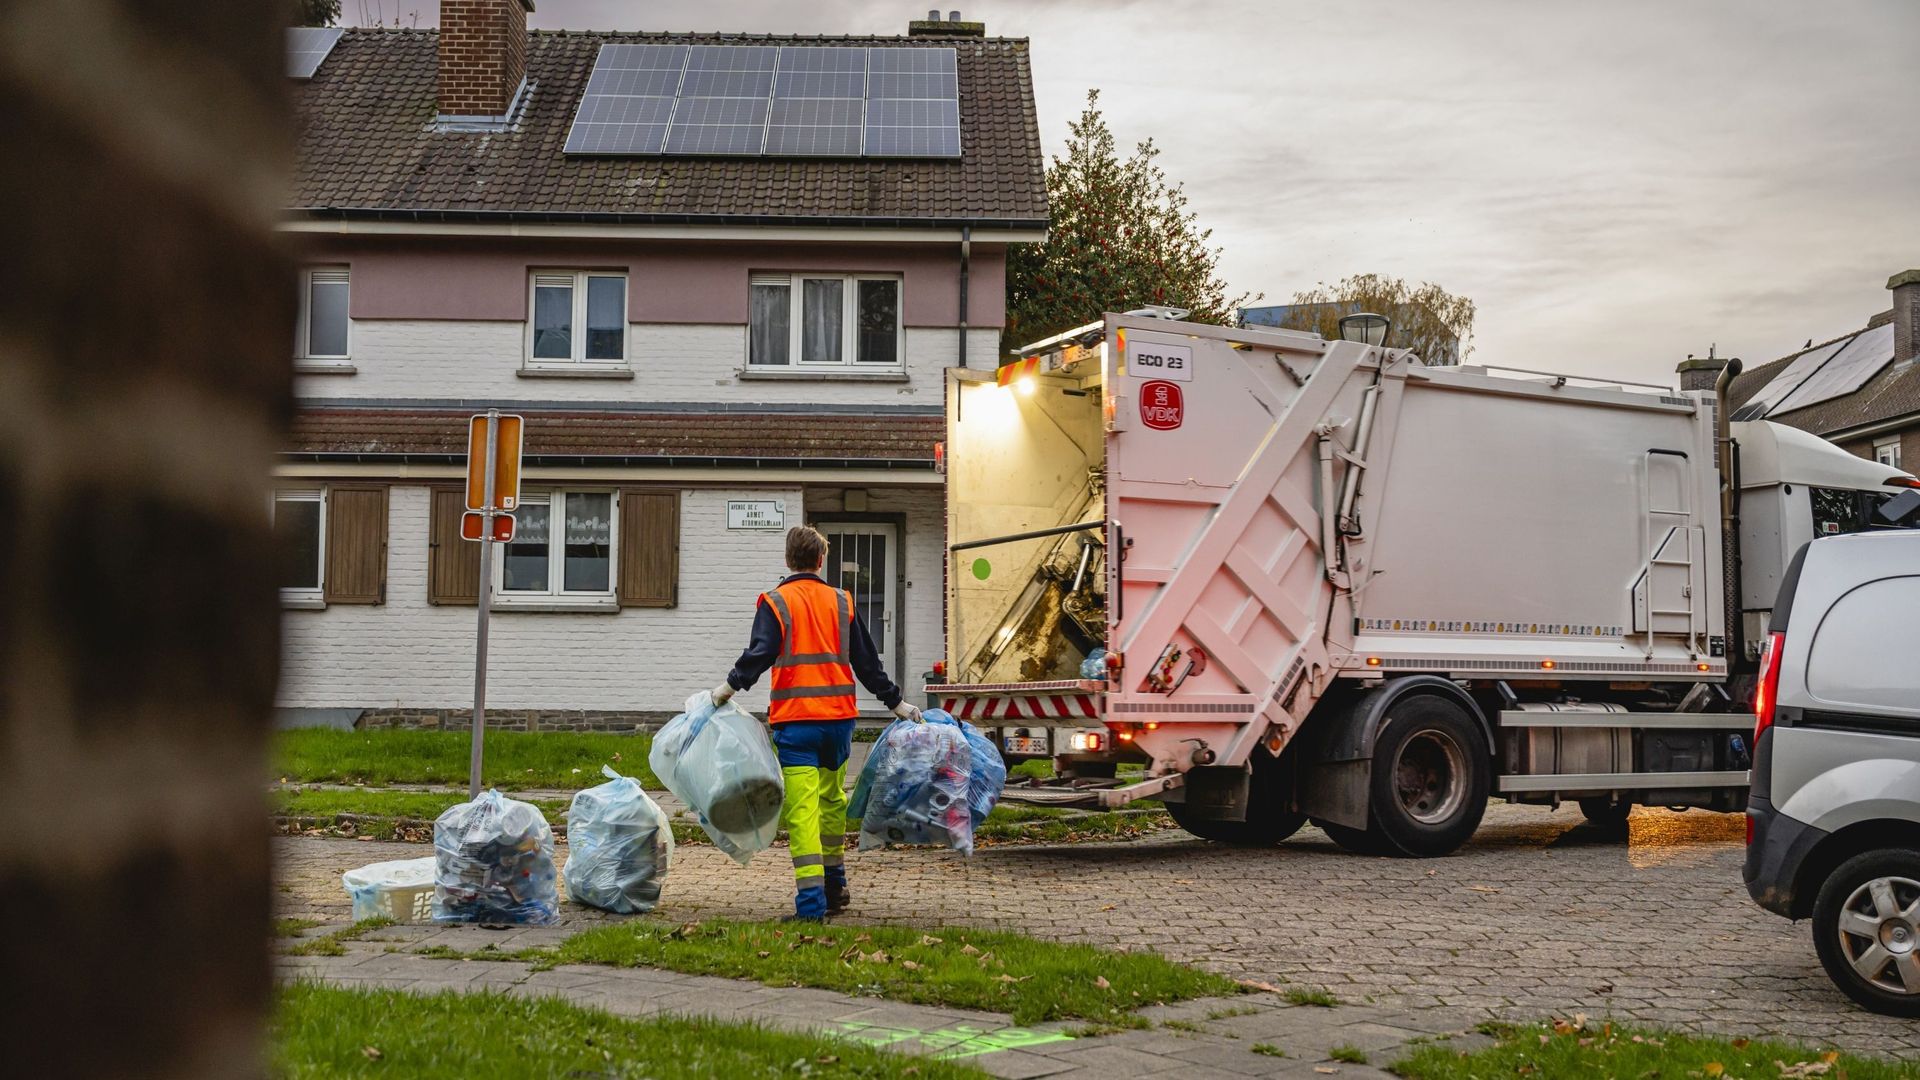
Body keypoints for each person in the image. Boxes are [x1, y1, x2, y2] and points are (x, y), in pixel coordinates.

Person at [713, 525, 921, 921]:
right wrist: (896, 702)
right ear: (821, 560)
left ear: (789, 559)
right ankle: (835, 885)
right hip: (839, 724)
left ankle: (811, 906)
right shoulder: (842, 601)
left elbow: (759, 654)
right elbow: (866, 661)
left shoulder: (776, 602)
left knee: (803, 810)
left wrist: (727, 689)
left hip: (798, 724)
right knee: (831, 803)